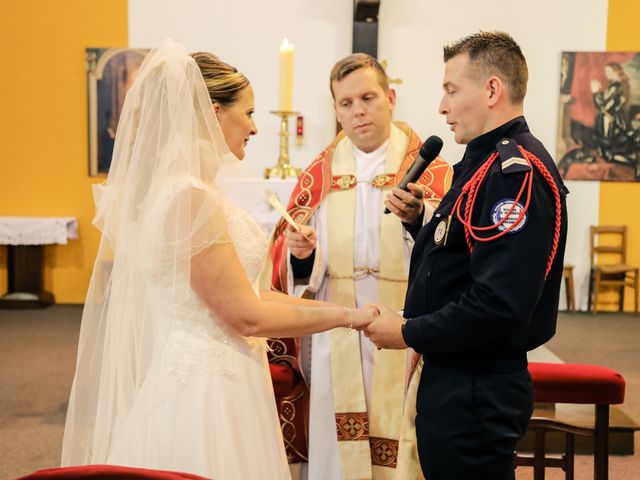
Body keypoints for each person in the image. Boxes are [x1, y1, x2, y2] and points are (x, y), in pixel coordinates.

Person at [61, 39, 376, 480]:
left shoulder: (193, 192)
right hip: (204, 390)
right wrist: (345, 316)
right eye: (246, 113)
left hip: (229, 373)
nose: (253, 126)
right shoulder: (188, 199)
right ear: (213, 112)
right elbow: (245, 315)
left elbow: (256, 294)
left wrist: (352, 315)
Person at [364, 31, 569, 480]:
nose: (442, 106)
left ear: (492, 90)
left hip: (477, 385)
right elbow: (464, 259)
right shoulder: (484, 164)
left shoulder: (516, 174)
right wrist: (421, 221)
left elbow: (499, 304)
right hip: (457, 374)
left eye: (451, 90)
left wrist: (408, 330)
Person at [265, 53, 451, 479]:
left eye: (368, 97)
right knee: (336, 440)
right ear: (335, 109)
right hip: (338, 326)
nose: (358, 111)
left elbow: (452, 250)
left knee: (403, 432)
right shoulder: (320, 174)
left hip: (407, 321)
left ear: (390, 97)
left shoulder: (430, 170)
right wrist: (301, 253)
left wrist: (417, 220)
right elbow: (286, 264)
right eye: (346, 103)